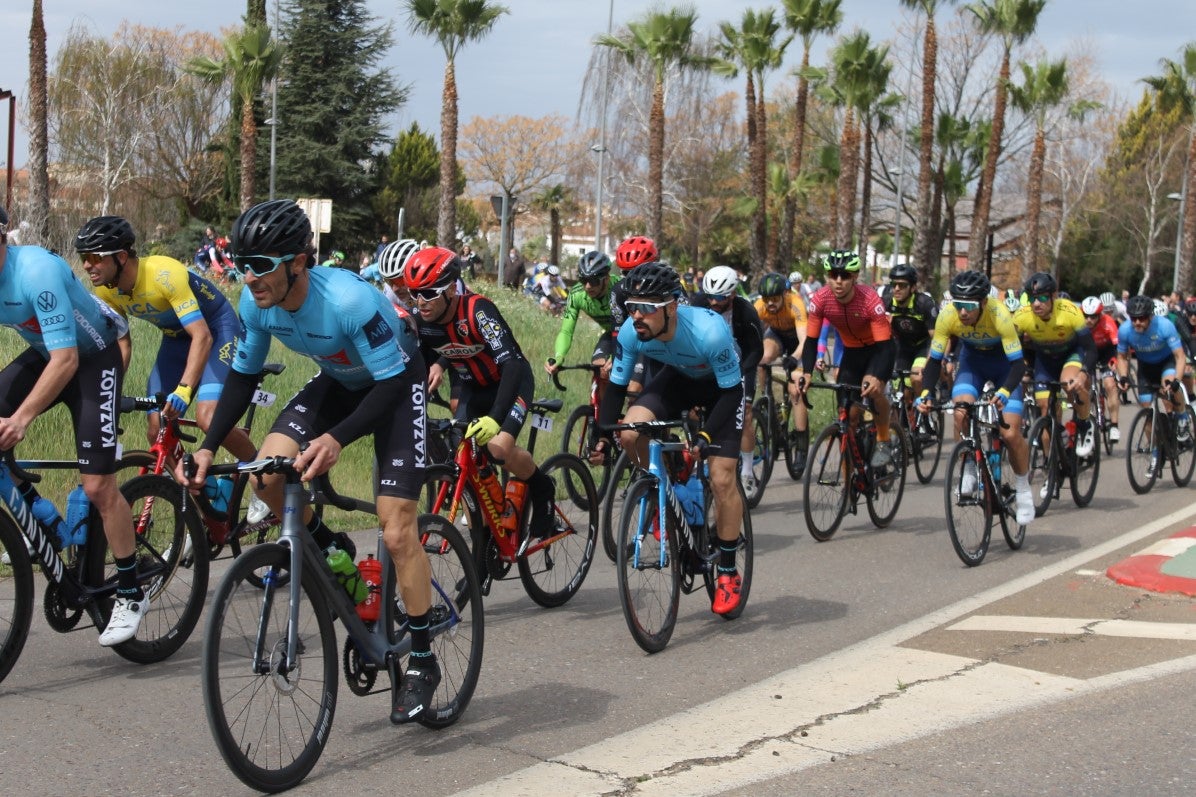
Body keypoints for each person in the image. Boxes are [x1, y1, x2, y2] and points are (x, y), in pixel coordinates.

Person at [175, 199, 440, 725]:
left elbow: (388, 383)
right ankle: (329, 548)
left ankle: (425, 658)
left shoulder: (347, 301)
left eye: (260, 265)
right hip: (340, 381)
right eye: (240, 264)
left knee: (395, 528)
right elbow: (243, 379)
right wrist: (207, 445)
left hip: (394, 383)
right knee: (266, 478)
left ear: (298, 261)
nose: (247, 278)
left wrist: (338, 439)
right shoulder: (256, 305)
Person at [0, 206, 147, 646]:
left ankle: (130, 591)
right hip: (47, 355)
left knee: (99, 485)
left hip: (92, 360)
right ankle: (44, 518)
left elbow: (67, 360)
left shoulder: (36, 272)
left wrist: (21, 418)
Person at [591, 262, 747, 616]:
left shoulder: (711, 332)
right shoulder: (632, 332)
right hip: (676, 381)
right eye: (632, 307)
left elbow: (732, 394)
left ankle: (726, 570)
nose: (636, 316)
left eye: (646, 308)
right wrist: (602, 435)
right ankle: (669, 479)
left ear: (672, 306)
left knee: (722, 477)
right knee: (629, 434)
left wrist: (706, 435)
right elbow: (616, 387)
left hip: (722, 391)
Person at [404, 246, 558, 551]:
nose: (420, 302)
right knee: (467, 463)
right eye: (414, 293)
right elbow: (418, 367)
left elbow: (512, 364)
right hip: (473, 387)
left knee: (498, 449)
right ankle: (486, 542)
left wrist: (495, 417)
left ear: (450, 288)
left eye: (429, 293)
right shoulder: (422, 321)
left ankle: (542, 489)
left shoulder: (478, 311)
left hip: (511, 383)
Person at [74, 216, 259, 469]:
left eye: (95, 257)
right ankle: (193, 495)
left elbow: (202, 336)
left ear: (121, 256)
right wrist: (110, 392)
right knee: (157, 430)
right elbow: (122, 345)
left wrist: (184, 389)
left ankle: (265, 474)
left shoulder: (164, 274)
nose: (86, 265)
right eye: (83, 256)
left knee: (208, 418)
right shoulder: (106, 290)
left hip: (215, 330)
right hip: (175, 339)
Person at [917, 270, 1035, 525]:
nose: (962, 312)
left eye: (968, 306)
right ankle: (969, 464)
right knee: (960, 413)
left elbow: (1018, 366)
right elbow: (935, 361)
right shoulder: (948, 316)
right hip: (972, 364)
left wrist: (1004, 391)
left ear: (983, 302)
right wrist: (926, 392)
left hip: (1005, 367)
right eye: (957, 304)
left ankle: (1024, 488)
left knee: (1010, 434)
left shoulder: (1000, 314)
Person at [792, 250, 897, 471]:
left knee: (874, 390)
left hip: (878, 351)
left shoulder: (869, 300)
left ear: (855, 276)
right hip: (851, 352)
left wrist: (877, 377)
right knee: (847, 416)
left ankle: (884, 439)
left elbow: (885, 347)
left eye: (845, 275)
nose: (838, 281)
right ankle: (849, 483)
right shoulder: (820, 299)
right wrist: (808, 372)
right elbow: (811, 341)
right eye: (833, 274)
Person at [691, 266, 765, 493]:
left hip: (741, 364)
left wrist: (739, 374)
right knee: (695, 409)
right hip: (711, 364)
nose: (713, 302)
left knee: (746, 412)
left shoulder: (746, 312)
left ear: (733, 294)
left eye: (720, 297)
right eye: (710, 296)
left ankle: (747, 470)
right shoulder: (699, 303)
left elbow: (756, 351)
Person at [1012, 272, 1097, 459]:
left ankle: (1085, 423)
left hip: (1071, 354)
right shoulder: (1022, 317)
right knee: (1044, 407)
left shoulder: (1069, 312)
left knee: (1069, 383)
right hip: (1045, 360)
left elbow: (1091, 349)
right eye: (1033, 298)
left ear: (1054, 296)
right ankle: (1053, 466)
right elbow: (1014, 352)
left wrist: (1083, 373)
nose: (1036, 303)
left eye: (1042, 298)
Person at [1117, 294, 1189, 478]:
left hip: (1167, 363)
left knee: (1169, 386)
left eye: (1141, 318)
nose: (1137, 322)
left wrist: (1177, 382)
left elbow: (1180, 357)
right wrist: (1123, 377)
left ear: (1150, 316)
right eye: (1133, 318)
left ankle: (1182, 417)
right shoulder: (1125, 330)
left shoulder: (1164, 326)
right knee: (1148, 411)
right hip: (1145, 368)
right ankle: (1156, 454)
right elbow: (1121, 357)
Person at [754, 271, 811, 475]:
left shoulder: (795, 303)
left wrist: (794, 358)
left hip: (799, 341)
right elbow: (748, 335)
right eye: (766, 299)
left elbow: (805, 340)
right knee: (762, 358)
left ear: (784, 295)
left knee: (796, 390)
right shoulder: (759, 307)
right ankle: (768, 398)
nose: (770, 304)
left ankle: (802, 446)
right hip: (778, 335)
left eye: (775, 299)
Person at [546, 250, 620, 392]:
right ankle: (599, 412)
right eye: (583, 280)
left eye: (593, 281)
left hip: (632, 337)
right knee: (601, 369)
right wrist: (559, 356)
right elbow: (566, 331)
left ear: (606, 278)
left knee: (634, 384)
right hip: (612, 334)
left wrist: (618, 354)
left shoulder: (620, 288)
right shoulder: (577, 295)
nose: (587, 286)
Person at [880, 263, 939, 426]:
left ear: (912, 288)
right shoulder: (886, 303)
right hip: (903, 346)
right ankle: (905, 426)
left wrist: (929, 363)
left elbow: (936, 339)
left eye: (902, 285)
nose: (896, 289)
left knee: (916, 377)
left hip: (923, 345)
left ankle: (924, 415)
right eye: (894, 284)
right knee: (901, 389)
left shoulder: (924, 304)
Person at [1081, 295, 1121, 442]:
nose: (1089, 320)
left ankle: (1114, 426)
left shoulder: (1108, 322)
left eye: (1093, 317)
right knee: (1084, 384)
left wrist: (1114, 360)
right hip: (1088, 353)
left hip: (1106, 353)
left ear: (1100, 314)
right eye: (1086, 316)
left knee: (1110, 385)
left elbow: (1117, 346)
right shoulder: (1079, 323)